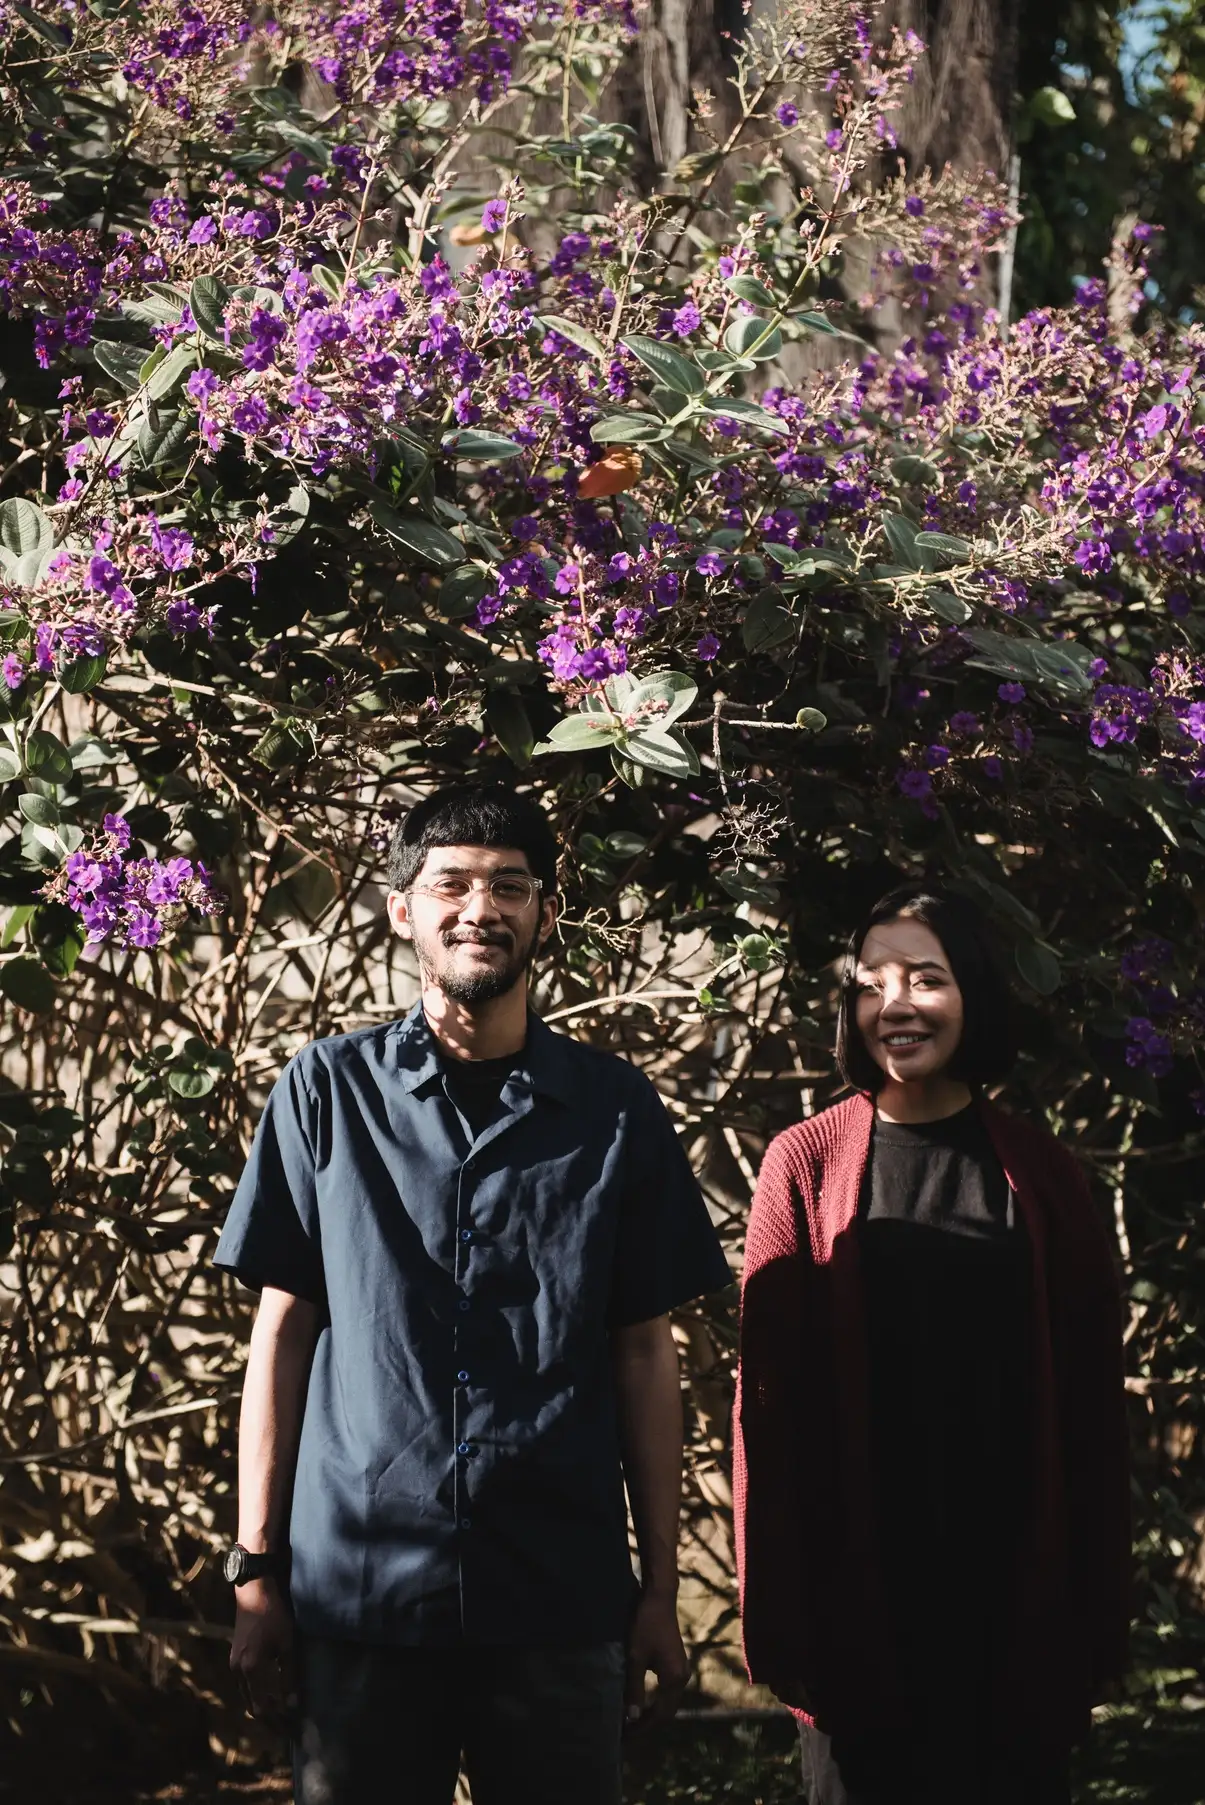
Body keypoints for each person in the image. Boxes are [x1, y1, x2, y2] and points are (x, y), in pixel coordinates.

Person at [213, 782, 731, 1805]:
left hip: (558, 1593)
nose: (479, 907)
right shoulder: (324, 1092)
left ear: (545, 911)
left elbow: (643, 1351)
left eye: (508, 885)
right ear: (400, 908)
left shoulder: (615, 1110)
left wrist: (660, 1587)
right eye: (449, 882)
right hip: (360, 1594)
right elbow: (282, 1332)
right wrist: (256, 1567)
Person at [735, 883, 1130, 1805]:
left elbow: (1090, 1408)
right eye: (870, 982)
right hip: (857, 1607)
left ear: (973, 993)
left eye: (925, 977)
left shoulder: (1042, 1172)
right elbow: (765, 1408)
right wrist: (781, 1610)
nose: (894, 1004)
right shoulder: (804, 1163)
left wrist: (1092, 1614)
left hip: (1012, 1605)